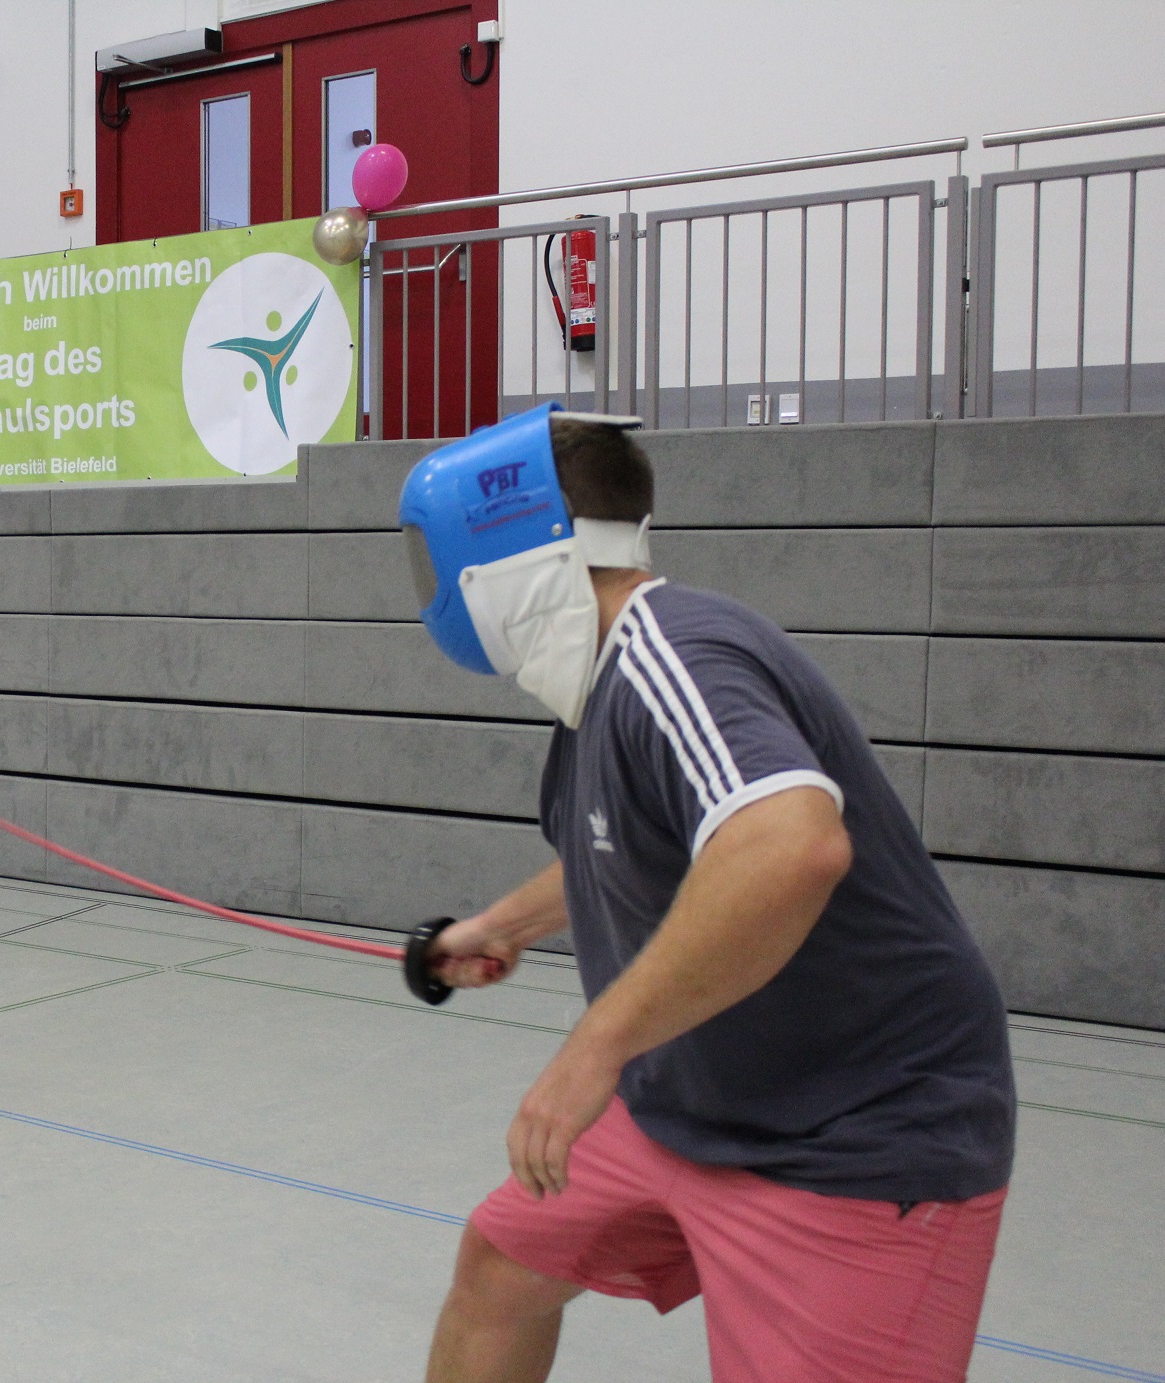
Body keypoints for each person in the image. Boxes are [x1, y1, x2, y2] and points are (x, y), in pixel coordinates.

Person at [398, 404, 1016, 1382]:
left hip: (854, 1137)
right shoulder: (597, 694)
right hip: (685, 1103)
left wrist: (593, 1046)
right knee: (500, 1273)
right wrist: (504, 925)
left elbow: (787, 847)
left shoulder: (670, 655)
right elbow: (651, 847)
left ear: (508, 562)